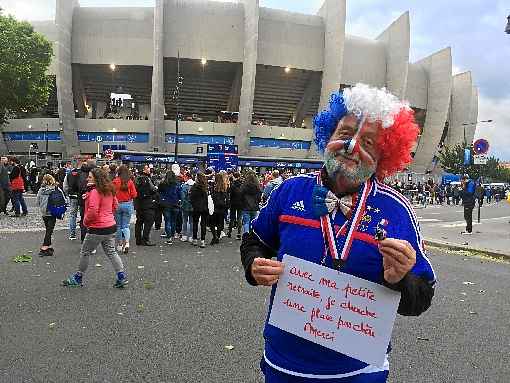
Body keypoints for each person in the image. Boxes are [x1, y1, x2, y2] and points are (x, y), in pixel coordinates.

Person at [240, 83, 436, 382]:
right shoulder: (289, 191)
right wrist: (253, 266)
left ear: (383, 158)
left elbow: (420, 299)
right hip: (284, 364)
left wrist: (402, 279)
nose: (352, 146)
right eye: (345, 134)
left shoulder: (396, 210)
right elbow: (254, 241)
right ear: (328, 135)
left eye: (368, 142)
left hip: (359, 371)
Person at [62, 168, 128, 288]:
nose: (87, 178)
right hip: (110, 226)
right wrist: (107, 215)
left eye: (90, 177)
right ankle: (121, 276)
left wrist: (85, 222)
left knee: (85, 252)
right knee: (111, 252)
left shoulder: (95, 192)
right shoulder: (109, 190)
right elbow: (115, 205)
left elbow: (93, 211)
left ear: (97, 179)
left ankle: (78, 277)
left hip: (97, 228)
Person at [112, 165, 137, 253]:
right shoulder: (130, 182)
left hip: (117, 204)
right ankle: (126, 243)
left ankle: (119, 244)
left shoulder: (115, 181)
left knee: (118, 226)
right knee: (125, 226)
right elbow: (134, 195)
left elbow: (111, 193)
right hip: (127, 204)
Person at [134, 165, 158, 246]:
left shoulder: (136, 179)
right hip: (147, 203)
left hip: (138, 203)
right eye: (147, 168)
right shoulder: (147, 179)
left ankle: (138, 239)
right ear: (144, 170)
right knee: (149, 221)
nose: (149, 169)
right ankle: (145, 239)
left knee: (139, 222)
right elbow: (153, 189)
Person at [36, 174, 58, 257]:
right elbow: (63, 199)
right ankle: (44, 247)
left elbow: (37, 202)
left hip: (44, 212)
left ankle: (48, 246)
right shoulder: (56, 189)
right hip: (53, 212)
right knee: (49, 230)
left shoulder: (41, 190)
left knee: (48, 229)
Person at [158, 170, 181, 244]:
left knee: (167, 221)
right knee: (173, 221)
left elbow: (159, 193)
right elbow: (179, 195)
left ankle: (169, 238)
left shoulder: (163, 184)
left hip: (166, 204)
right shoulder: (177, 184)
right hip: (175, 204)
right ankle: (173, 234)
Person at [63, 160, 83, 240]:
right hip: (82, 196)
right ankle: (83, 233)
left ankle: (72, 234)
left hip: (72, 196)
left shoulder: (69, 174)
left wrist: (68, 194)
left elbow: (65, 186)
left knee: (72, 215)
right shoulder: (84, 174)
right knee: (83, 215)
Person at [190, 172, 209, 248]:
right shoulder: (205, 187)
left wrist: (193, 204)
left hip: (196, 208)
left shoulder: (194, 187)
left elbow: (191, 198)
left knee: (195, 223)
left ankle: (194, 239)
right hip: (204, 207)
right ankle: (202, 241)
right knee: (203, 224)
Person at [240, 170, 262, 234]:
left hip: (245, 207)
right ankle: (251, 236)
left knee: (246, 223)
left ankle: (246, 237)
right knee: (252, 223)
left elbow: (240, 196)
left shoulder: (244, 186)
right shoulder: (257, 186)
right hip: (255, 207)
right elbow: (259, 198)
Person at [210, 172, 229, 245]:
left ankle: (215, 236)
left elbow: (211, 197)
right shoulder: (225, 187)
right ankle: (217, 236)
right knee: (220, 223)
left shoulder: (213, 187)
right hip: (222, 208)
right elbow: (227, 199)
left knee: (212, 223)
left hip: (214, 208)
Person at [227, 171, 243, 240]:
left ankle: (230, 232)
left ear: (234, 176)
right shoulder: (242, 184)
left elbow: (230, 194)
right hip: (241, 203)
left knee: (232, 218)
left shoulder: (232, 185)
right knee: (239, 218)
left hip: (233, 203)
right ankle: (239, 233)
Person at [180, 174, 195, 243]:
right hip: (193, 206)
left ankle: (184, 236)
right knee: (192, 221)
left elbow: (182, 198)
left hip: (185, 206)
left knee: (184, 221)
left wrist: (182, 204)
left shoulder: (184, 186)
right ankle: (191, 236)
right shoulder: (195, 185)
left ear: (187, 177)